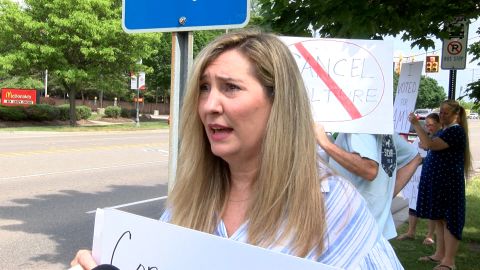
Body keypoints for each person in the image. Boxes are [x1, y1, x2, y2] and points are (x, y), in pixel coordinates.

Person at [71, 29, 404, 269]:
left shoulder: (331, 206)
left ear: (278, 103)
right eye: (204, 88)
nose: (209, 105)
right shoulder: (188, 202)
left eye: (230, 88)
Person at [314, 127, 422, 240]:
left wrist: (325, 143)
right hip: (374, 227)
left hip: (355, 229)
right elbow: (414, 158)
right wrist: (388, 195)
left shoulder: (359, 127)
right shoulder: (383, 130)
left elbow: (370, 170)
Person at [409, 100, 472, 270]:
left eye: (445, 113)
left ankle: (449, 262)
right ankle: (439, 254)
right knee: (439, 219)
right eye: (441, 112)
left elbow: (428, 144)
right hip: (439, 182)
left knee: (449, 219)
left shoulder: (455, 131)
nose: (441, 115)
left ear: (456, 114)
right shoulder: (445, 130)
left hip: (448, 183)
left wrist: (416, 124)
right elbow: (425, 144)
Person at [397, 113, 442, 245]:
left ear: (439, 124)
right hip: (416, 176)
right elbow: (411, 153)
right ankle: (411, 231)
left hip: (431, 176)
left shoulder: (439, 138)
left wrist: (422, 158)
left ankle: (430, 235)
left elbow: (434, 155)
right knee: (413, 203)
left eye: (431, 124)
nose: (428, 127)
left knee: (431, 206)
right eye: (426, 124)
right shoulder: (420, 138)